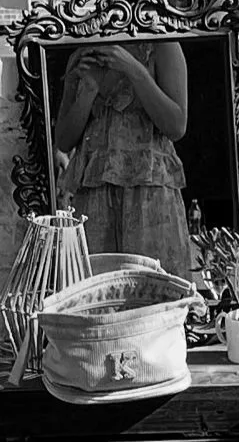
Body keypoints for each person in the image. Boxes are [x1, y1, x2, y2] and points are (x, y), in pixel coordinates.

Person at [53, 37, 193, 272]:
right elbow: (64, 141)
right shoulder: (82, 56)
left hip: (149, 193)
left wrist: (134, 70)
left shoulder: (161, 46)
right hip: (94, 196)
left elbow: (177, 126)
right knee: (96, 290)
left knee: (155, 290)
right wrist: (88, 91)